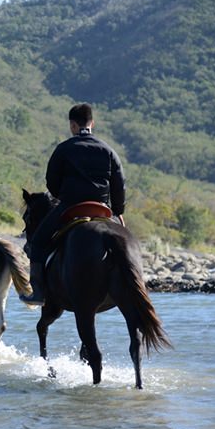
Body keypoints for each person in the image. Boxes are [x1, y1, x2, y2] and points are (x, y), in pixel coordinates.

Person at [20, 103, 127, 306]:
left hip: (70, 206)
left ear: (72, 125)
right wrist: (119, 211)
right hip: (102, 208)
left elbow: (51, 181)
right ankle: (134, 285)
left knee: (39, 242)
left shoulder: (63, 149)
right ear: (92, 123)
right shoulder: (109, 150)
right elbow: (119, 184)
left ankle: (38, 293)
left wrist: (62, 197)